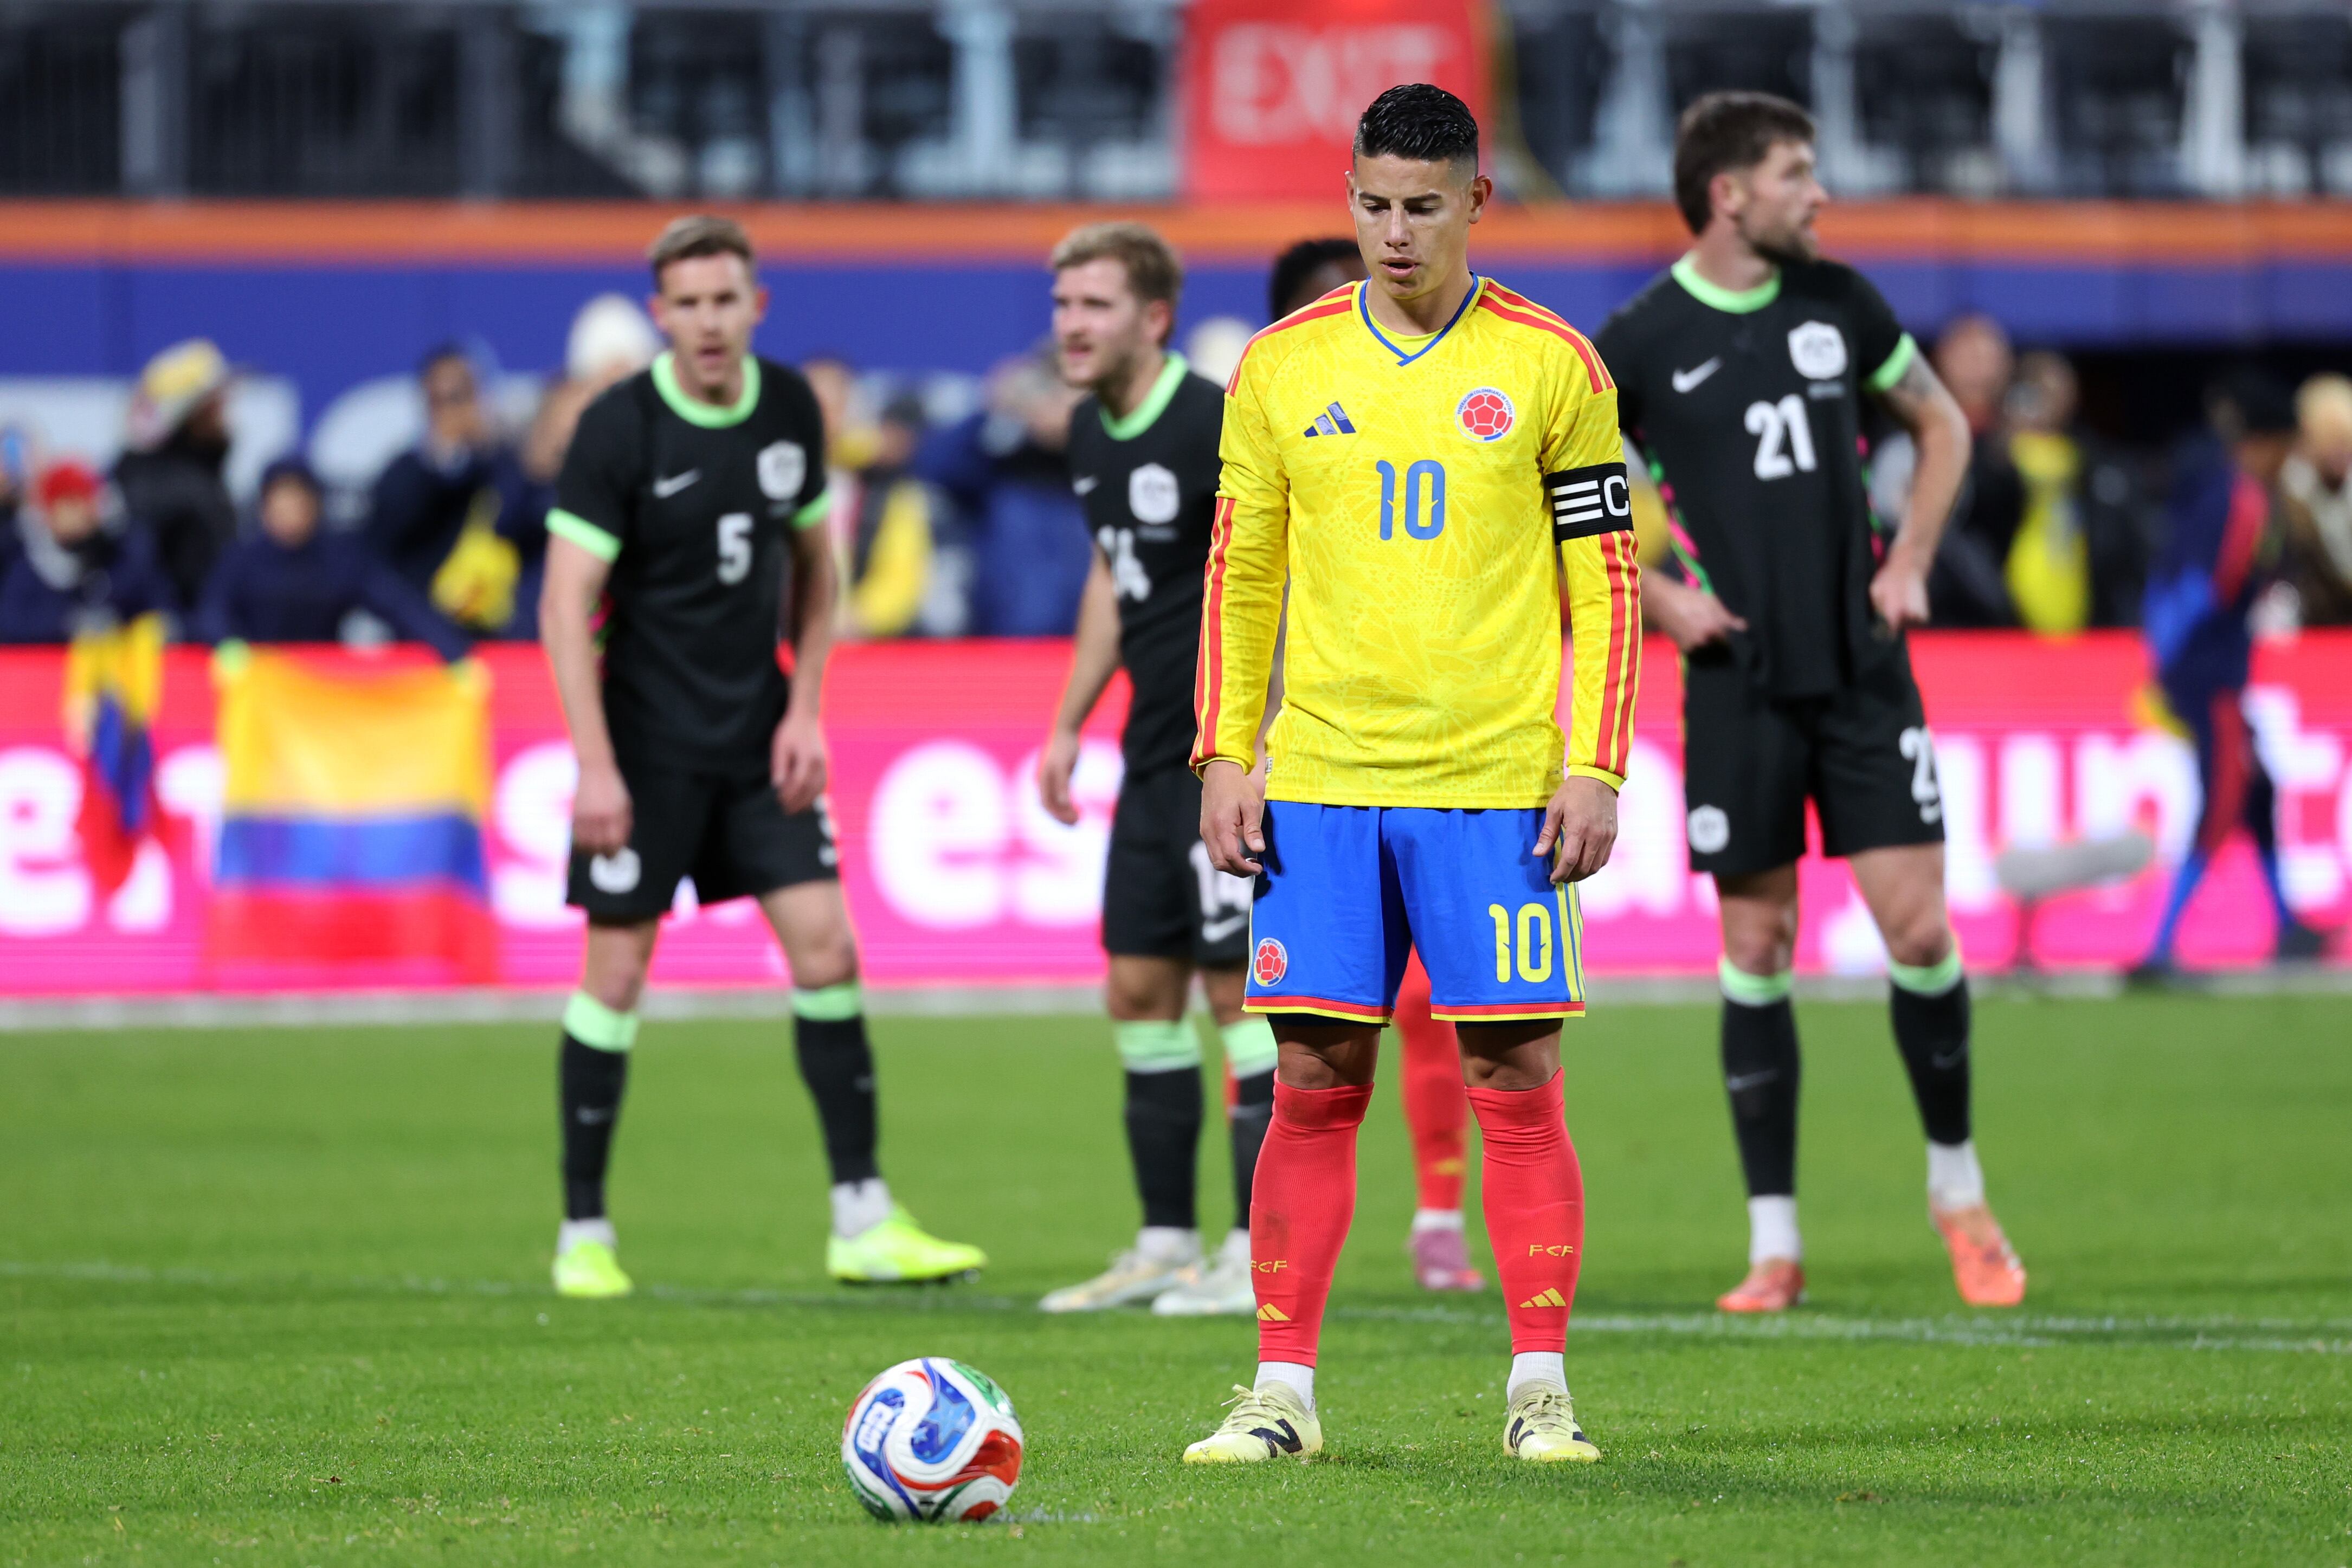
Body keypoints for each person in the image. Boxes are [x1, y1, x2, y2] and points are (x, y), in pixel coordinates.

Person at [1186, 85, 1642, 1466]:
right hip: (1319, 781)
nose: (1392, 233)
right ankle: (1279, 1395)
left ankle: (1538, 1389)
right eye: (1372, 204)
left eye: (1420, 207)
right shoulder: (1277, 367)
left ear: (1473, 203)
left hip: (1494, 785)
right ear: (1348, 197)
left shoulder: (1553, 365)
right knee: (1310, 1076)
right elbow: (1239, 574)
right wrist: (1223, 752)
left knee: (1514, 1075)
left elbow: (1606, 581)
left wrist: (1595, 763)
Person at [1594, 91, 2025, 1317]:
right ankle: (1772, 1244)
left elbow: (1936, 425)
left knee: (1918, 932)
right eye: (1793, 173)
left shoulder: (1840, 301)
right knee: (1753, 944)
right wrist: (1660, 599)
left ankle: (1958, 1195)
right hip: (1732, 681)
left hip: (1859, 665)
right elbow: (1562, 491)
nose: (1816, 193)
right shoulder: (1636, 339)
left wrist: (1906, 561)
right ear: (1727, 193)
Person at [538, 215, 983, 1299]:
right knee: (617, 972)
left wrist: (805, 707)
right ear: (660, 314)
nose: (706, 321)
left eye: (724, 300)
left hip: (756, 744)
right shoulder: (619, 427)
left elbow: (817, 567)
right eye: (686, 304)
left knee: (827, 948)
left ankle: (861, 1218)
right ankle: (583, 1232)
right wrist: (593, 765)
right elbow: (563, 602)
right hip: (643, 752)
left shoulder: (788, 409)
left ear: (757, 305)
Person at [1029, 222, 1276, 1319]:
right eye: (1063, 304)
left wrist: (1261, 748)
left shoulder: (1211, 423)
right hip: (1143, 758)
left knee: (1240, 996)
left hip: (1219, 758)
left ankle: (1251, 1254)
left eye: (1093, 305)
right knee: (1137, 987)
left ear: (1154, 317)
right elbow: (1111, 572)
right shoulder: (1091, 430)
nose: (1069, 325)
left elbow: (1287, 578)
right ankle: (1166, 1244)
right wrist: (1068, 719)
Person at [1270, 236, 1486, 1294]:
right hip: (1303, 759)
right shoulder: (1276, 403)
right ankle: (1239, 1248)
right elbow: (1237, 588)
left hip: (1451, 753)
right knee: (1287, 1031)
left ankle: (1439, 1210)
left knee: (1431, 1007)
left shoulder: (1472, 391)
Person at [2131, 372, 2328, 976]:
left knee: (2258, 789)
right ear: (2268, 442)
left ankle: (2287, 922)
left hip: (2208, 670)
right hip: (2208, 674)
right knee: (2222, 799)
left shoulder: (2222, 489)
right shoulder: (2243, 500)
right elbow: (2203, 589)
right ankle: (2158, 947)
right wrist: (2168, 667)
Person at [195, 458, 468, 661]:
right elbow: (213, 611)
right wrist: (230, 645)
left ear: (315, 506)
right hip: (261, 691)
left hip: (322, 693)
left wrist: (450, 649)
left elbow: (399, 605)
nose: (290, 514)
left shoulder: (339, 559)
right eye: (281, 504)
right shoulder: (242, 560)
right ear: (265, 510)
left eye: (298, 503)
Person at [364, 345, 537, 636]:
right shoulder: (404, 472)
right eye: (439, 401)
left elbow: (523, 523)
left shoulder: (505, 464)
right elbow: (385, 544)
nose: (451, 412)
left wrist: (488, 452)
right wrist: (441, 464)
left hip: (499, 636)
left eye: (460, 397)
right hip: (422, 639)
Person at [914, 350, 1089, 635]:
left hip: (1089, 646)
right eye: (1050, 389)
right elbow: (931, 466)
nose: (1060, 403)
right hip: (1004, 644)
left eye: (1075, 390)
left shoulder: (1111, 467)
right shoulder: (997, 465)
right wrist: (995, 409)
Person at [113, 339, 240, 611]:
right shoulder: (180, 492)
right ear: (193, 416)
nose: (226, 413)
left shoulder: (197, 478)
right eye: (216, 404)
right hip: (182, 648)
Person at [0, 461, 177, 643]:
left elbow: (161, 605)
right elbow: (11, 624)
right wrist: (66, 624)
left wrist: (147, 626)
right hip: (51, 666)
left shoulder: (121, 555)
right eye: (68, 502)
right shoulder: (32, 564)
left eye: (85, 500)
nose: (80, 512)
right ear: (48, 512)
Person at [1922, 314, 2021, 628]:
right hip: (1931, 619)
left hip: (2016, 621)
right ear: (1940, 359)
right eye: (1966, 353)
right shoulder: (1909, 436)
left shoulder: (2031, 445)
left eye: (1986, 354)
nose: (1976, 365)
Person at [2279, 372, 2352, 627]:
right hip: (2313, 628)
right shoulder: (2288, 496)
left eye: (2344, 440)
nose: (2338, 451)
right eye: (2328, 440)